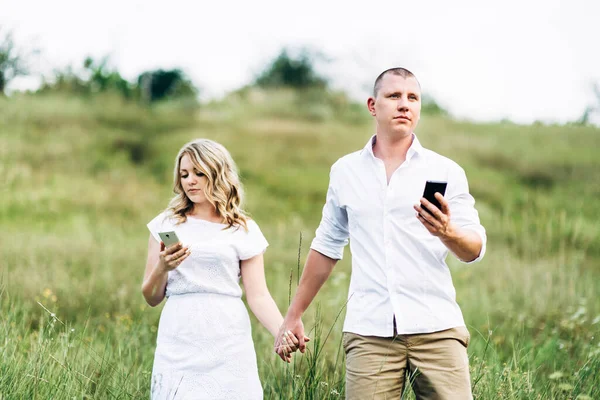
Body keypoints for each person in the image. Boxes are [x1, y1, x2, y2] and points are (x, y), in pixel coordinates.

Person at [275, 68, 487, 399]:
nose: (404, 104)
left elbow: (473, 248)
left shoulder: (445, 171)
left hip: (436, 327)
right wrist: (293, 315)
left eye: (412, 97)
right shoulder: (345, 171)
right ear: (373, 105)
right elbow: (327, 246)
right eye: (394, 96)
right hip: (369, 331)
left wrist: (447, 232)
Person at [142, 138, 301, 400]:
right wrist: (162, 267)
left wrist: (280, 332)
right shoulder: (166, 224)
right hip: (180, 332)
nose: (190, 181)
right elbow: (150, 297)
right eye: (184, 174)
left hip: (228, 335)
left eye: (198, 173)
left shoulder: (242, 228)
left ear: (217, 174)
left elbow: (258, 295)